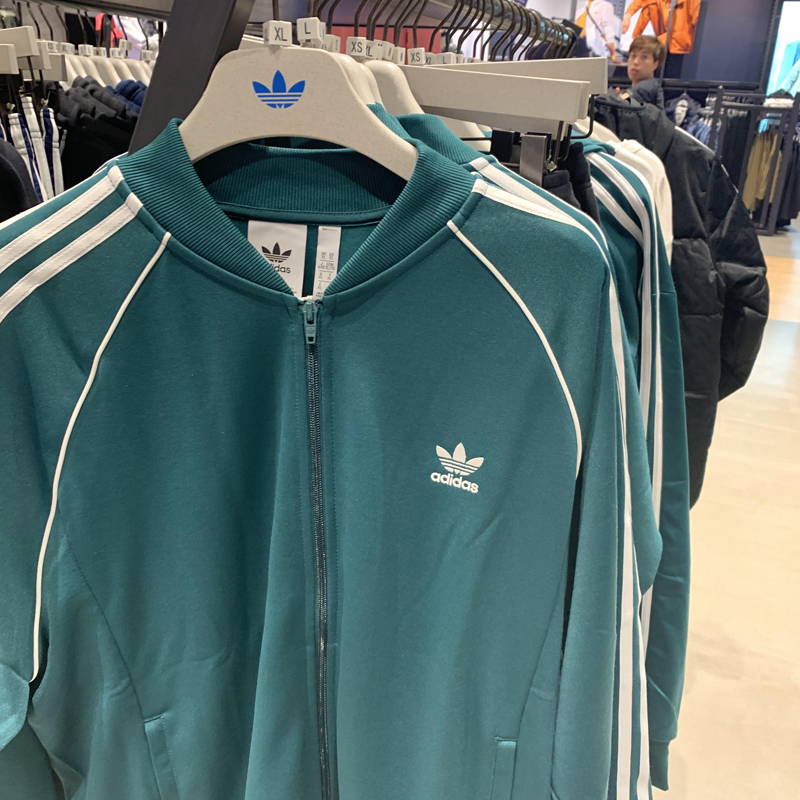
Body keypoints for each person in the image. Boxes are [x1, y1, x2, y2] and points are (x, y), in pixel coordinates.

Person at [620, 35, 666, 108]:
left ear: (655, 64)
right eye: (633, 56)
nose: (636, 62)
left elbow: (620, 100)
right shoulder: (634, 89)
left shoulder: (649, 86)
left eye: (644, 57)